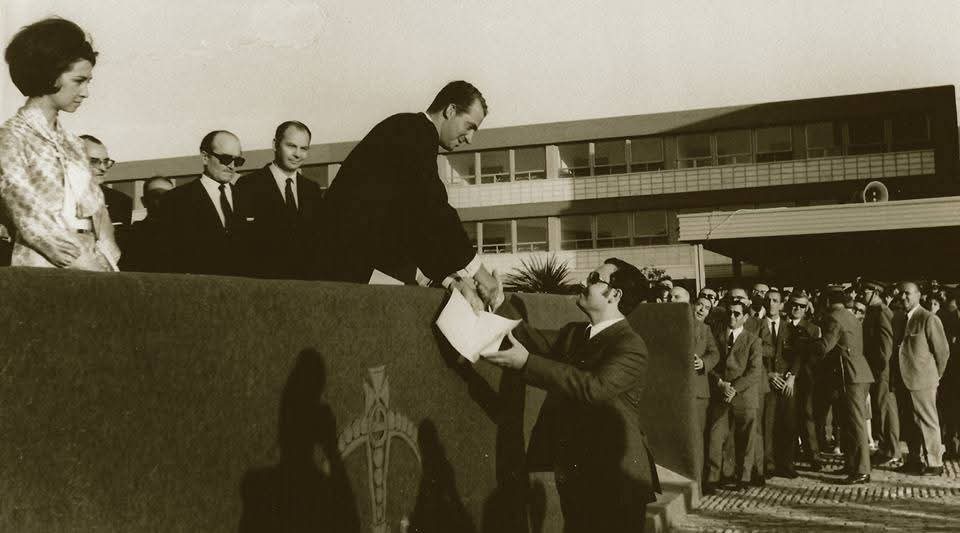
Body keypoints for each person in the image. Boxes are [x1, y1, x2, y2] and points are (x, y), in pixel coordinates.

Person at [485, 259, 659, 532]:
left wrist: (527, 363)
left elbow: (595, 388)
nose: (584, 283)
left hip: (616, 481)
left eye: (594, 279)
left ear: (614, 295)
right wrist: (498, 300)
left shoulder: (630, 345)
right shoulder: (575, 334)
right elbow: (528, 337)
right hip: (577, 473)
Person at [319, 81, 501, 311]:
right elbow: (434, 210)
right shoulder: (416, 131)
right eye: (469, 126)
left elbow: (414, 226)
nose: (470, 138)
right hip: (340, 270)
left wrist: (452, 281)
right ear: (450, 110)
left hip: (347, 265)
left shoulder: (408, 131)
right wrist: (481, 275)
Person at [0, 18, 119, 270]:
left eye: (88, 81)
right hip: (45, 263)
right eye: (78, 80)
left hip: (92, 258)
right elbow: (25, 212)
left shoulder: (74, 144)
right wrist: (79, 260)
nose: (86, 92)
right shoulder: (11, 138)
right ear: (49, 74)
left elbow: (97, 208)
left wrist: (108, 253)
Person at [154, 130, 253, 276]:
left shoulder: (247, 197)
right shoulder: (176, 200)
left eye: (237, 161)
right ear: (205, 157)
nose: (232, 166)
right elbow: (167, 255)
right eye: (225, 159)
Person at [235, 121, 323, 279]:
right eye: (291, 146)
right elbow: (241, 244)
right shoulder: (248, 185)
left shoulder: (312, 190)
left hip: (305, 286)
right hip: (264, 284)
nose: (297, 154)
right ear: (275, 145)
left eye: (304, 148)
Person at [811, 291, 874, 484]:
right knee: (848, 423)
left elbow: (824, 346)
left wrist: (804, 343)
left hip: (850, 375)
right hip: (857, 373)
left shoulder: (834, 318)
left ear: (828, 301)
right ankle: (852, 464)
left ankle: (862, 470)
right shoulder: (850, 316)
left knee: (856, 424)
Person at [703, 300, 763, 494]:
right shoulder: (716, 337)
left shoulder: (753, 340)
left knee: (746, 439)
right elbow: (711, 364)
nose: (732, 316)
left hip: (744, 396)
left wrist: (734, 388)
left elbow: (755, 371)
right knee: (715, 436)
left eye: (737, 314)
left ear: (745, 317)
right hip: (721, 393)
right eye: (729, 312)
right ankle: (713, 478)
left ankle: (743, 478)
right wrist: (720, 383)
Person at [892, 282, 950, 476]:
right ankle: (914, 461)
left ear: (918, 295)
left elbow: (943, 352)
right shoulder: (900, 319)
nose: (903, 297)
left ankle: (935, 463)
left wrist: (934, 376)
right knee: (909, 422)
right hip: (904, 380)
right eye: (901, 294)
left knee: (927, 421)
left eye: (907, 293)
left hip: (923, 381)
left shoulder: (928, 318)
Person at [670, 287, 720, 442]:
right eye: (699, 304)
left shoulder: (706, 329)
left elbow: (715, 354)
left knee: (698, 435)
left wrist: (703, 362)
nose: (702, 309)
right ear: (692, 305)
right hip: (677, 389)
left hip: (699, 391)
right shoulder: (676, 324)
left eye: (707, 308)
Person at [861, 280, 899, 467]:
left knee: (885, 409)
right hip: (876, 368)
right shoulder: (873, 311)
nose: (862, 295)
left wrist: (880, 368)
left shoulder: (882, 312)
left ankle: (890, 450)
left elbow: (886, 344)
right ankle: (887, 448)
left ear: (875, 292)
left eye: (865, 291)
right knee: (882, 408)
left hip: (882, 370)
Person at [119, 175, 172, 272]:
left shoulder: (185, 233)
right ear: (144, 201)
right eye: (157, 196)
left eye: (169, 196)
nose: (164, 200)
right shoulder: (131, 235)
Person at [80, 134, 133, 227]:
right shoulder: (59, 197)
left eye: (105, 162)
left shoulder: (120, 201)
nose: (103, 168)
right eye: (94, 161)